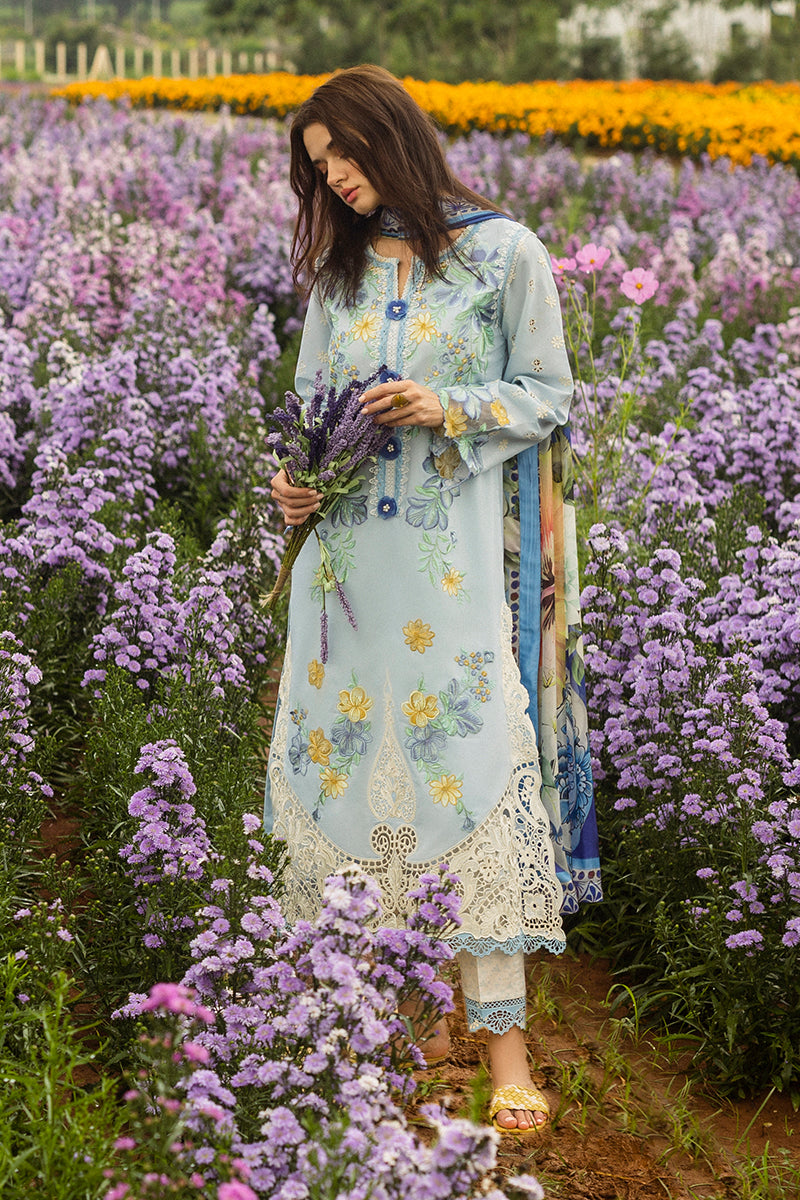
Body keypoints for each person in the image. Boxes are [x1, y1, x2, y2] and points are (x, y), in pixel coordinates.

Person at [266, 64, 600, 1134]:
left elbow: (548, 395)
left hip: (449, 576)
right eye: (320, 167)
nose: (337, 178)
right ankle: (367, 1030)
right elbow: (310, 414)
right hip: (341, 580)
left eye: (346, 154)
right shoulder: (340, 277)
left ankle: (504, 1050)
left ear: (393, 136)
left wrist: (444, 404)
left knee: (468, 778)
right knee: (342, 785)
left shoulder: (503, 256)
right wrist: (292, 486)